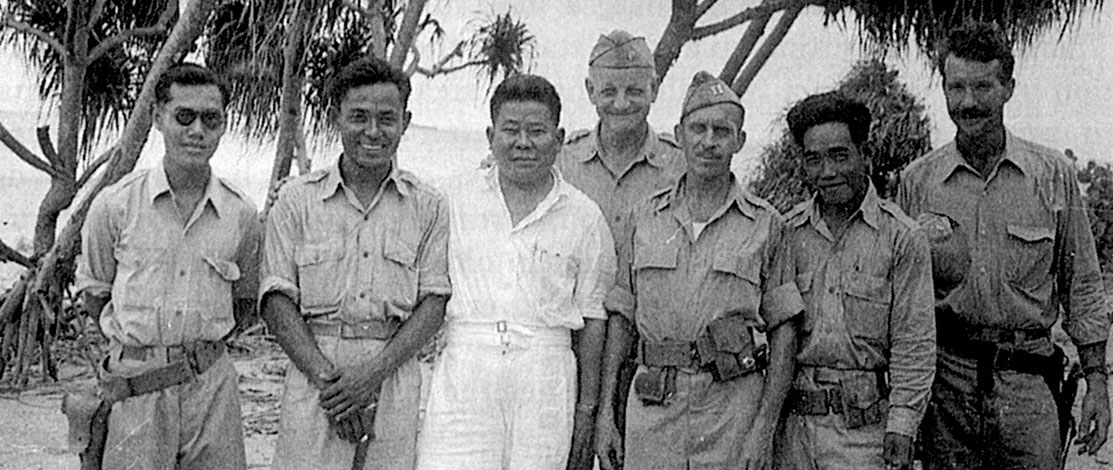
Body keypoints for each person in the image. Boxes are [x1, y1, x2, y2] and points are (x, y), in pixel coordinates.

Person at [897, 22, 1111, 469]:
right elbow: (901, 301)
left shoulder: (1052, 176)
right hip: (945, 387)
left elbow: (1084, 286)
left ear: (1008, 87)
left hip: (1028, 383)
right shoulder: (917, 183)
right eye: (956, 88)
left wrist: (1097, 384)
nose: (968, 102)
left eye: (982, 86)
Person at [595, 71, 802, 470]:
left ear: (739, 141)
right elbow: (621, 318)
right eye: (698, 129)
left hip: (731, 410)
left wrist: (763, 429)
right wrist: (607, 414)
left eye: (721, 131)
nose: (709, 142)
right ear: (679, 133)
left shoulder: (766, 224)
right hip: (654, 406)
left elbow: (784, 331)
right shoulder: (645, 217)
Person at [415, 74, 615, 469]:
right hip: (466, 367)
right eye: (511, 130)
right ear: (491, 136)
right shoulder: (451, 199)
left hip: (546, 374)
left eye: (537, 131)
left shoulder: (584, 216)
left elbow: (593, 319)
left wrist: (586, 411)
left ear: (558, 140)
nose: (523, 142)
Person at [261, 56, 450, 470]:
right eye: (359, 117)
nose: (373, 131)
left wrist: (371, 376)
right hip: (314, 376)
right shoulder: (296, 200)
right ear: (336, 118)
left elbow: (434, 304)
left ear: (405, 121)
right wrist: (333, 386)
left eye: (387, 118)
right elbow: (275, 299)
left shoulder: (428, 205)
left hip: (394, 372)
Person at [75, 62, 260, 469]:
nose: (197, 131)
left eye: (211, 119)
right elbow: (95, 292)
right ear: (158, 117)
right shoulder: (115, 205)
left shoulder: (241, 215)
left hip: (211, 390)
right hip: (135, 390)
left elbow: (245, 300)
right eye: (184, 116)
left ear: (224, 125)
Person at [773, 92, 935, 470]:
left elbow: (915, 343)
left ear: (865, 155)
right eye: (813, 159)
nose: (827, 172)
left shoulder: (901, 237)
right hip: (793, 432)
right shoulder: (787, 233)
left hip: (864, 436)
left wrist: (903, 426)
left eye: (839, 155)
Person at [558, 31, 684, 469]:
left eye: (634, 90)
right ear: (590, 90)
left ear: (654, 89)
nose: (621, 102)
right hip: (569, 352)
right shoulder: (562, 161)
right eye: (608, 91)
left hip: (646, 358)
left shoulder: (681, 165)